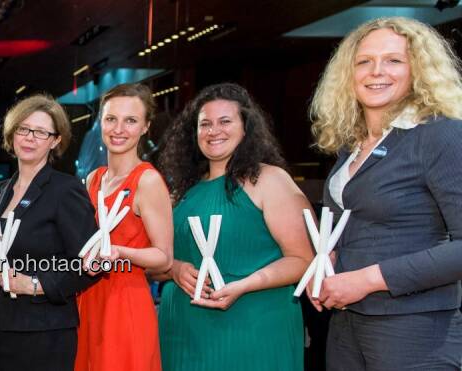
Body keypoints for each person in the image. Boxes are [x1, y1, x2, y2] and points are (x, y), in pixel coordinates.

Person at [309, 16, 462, 369]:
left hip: (416, 332)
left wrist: (367, 279)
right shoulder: (352, 146)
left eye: (394, 60)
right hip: (347, 325)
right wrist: (329, 262)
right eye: (364, 61)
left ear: (419, 70)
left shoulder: (441, 135)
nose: (377, 71)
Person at [155, 83, 313, 371]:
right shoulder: (180, 191)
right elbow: (153, 262)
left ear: (246, 128)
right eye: (205, 124)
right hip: (182, 331)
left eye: (225, 121)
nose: (214, 131)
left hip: (254, 325)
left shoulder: (270, 180)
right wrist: (175, 269)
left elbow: (303, 260)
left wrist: (245, 285)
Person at [0, 94, 98, 371]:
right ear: (12, 133)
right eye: (24, 129)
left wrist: (34, 284)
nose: (30, 138)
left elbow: (90, 264)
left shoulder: (66, 190)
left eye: (41, 132)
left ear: (55, 141)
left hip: (45, 332)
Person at [74, 84, 172, 371]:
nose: (119, 129)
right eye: (111, 119)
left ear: (145, 127)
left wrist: (118, 252)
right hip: (87, 297)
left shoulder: (148, 181)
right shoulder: (94, 178)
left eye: (130, 120)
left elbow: (164, 257)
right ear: (101, 123)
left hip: (125, 300)